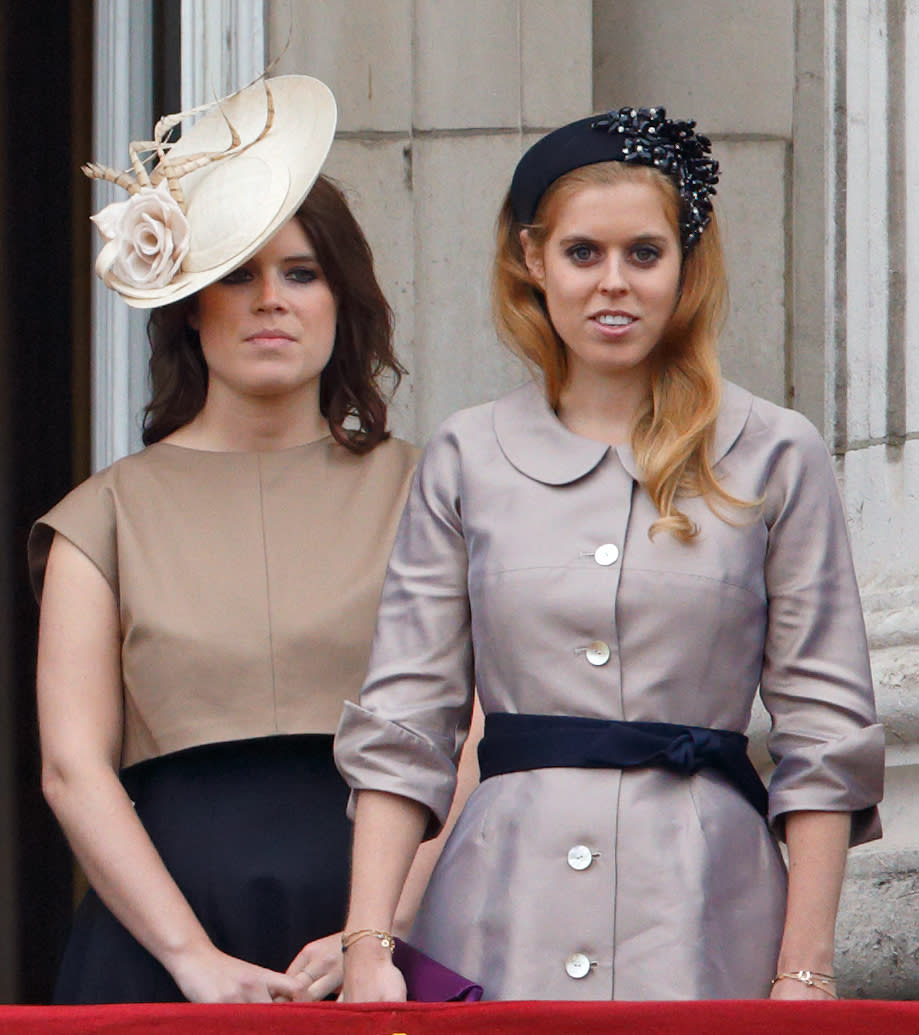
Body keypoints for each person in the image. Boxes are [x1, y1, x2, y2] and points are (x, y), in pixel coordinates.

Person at [334, 106, 885, 1002]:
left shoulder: (775, 451)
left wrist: (804, 970)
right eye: (583, 253)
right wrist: (367, 947)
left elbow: (824, 735)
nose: (613, 283)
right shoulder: (466, 454)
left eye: (644, 253)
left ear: (685, 264)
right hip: (498, 908)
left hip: (707, 909)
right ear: (531, 260)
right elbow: (405, 723)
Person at [30, 75, 425, 1004]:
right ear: (190, 302)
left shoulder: (429, 491)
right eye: (238, 274)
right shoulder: (105, 513)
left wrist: (380, 933)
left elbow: (473, 743)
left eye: (300, 272)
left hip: (387, 932)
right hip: (163, 936)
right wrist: (188, 959)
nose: (271, 301)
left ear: (342, 297)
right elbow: (71, 766)